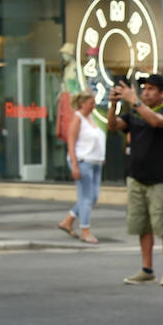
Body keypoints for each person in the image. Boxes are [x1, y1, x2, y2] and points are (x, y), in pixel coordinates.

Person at [110, 73, 163, 285]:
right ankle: (147, 269)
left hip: (160, 179)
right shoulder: (134, 113)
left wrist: (135, 100)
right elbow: (113, 126)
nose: (145, 92)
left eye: (150, 89)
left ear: (162, 93)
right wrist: (113, 105)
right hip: (137, 178)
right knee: (143, 226)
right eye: (144, 88)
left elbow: (156, 122)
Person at [57, 92, 106, 244]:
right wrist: (74, 165)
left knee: (93, 197)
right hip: (83, 161)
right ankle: (85, 230)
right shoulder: (77, 118)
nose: (94, 105)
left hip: (95, 162)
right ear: (82, 103)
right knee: (85, 197)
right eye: (91, 103)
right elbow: (71, 142)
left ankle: (68, 221)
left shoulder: (90, 118)